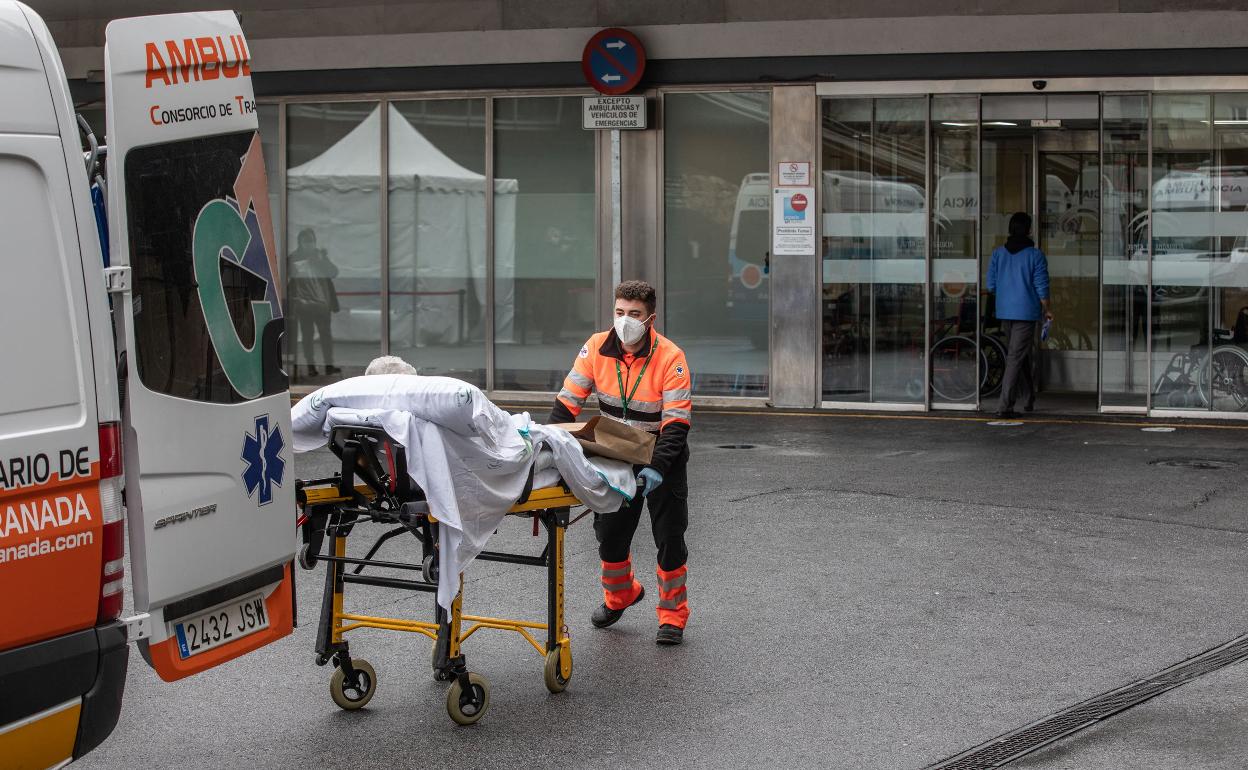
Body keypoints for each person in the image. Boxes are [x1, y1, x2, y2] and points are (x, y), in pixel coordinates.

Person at [549, 280, 693, 646]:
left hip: (663, 455)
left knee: (669, 539)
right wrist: (548, 444)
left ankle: (672, 616)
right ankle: (621, 595)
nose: (625, 321)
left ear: (650, 318)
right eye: (619, 313)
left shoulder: (670, 357)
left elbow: (676, 423)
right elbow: (568, 403)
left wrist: (658, 467)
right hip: (616, 453)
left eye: (634, 314)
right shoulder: (596, 346)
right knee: (609, 538)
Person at [987, 212, 1052, 418]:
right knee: (1016, 356)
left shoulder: (998, 254)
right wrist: (1047, 309)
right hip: (1026, 312)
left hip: (1005, 311)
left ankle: (1029, 396)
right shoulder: (1035, 255)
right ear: (1029, 230)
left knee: (1018, 354)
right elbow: (1041, 287)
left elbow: (991, 285)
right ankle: (1004, 406)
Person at [288, 228, 340, 379]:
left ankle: (329, 365)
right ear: (300, 242)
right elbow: (287, 274)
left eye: (311, 241)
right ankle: (310, 366)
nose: (309, 244)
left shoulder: (319, 255)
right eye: (306, 241)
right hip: (304, 305)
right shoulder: (294, 257)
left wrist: (320, 260)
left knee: (326, 335)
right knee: (307, 336)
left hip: (322, 304)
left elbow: (333, 272)